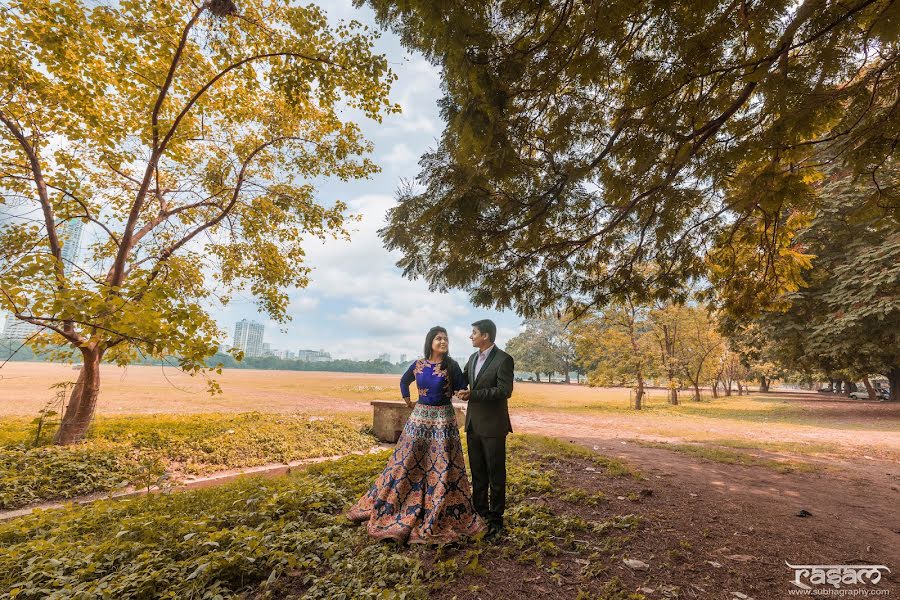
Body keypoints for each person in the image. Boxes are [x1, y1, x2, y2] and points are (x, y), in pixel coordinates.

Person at [347, 326, 486, 544]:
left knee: (442, 465)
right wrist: (407, 400)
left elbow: (461, 388)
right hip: (419, 419)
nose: (443, 341)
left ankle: (439, 505)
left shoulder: (452, 365)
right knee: (408, 461)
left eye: (445, 338)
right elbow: (404, 381)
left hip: (443, 422)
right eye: (439, 338)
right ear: (430, 341)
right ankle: (402, 501)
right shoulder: (418, 365)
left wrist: (463, 393)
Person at [456, 319, 514, 540]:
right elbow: (461, 380)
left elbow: (504, 390)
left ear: (486, 336)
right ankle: (479, 514)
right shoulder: (471, 359)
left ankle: (496, 519)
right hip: (473, 425)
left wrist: (473, 395)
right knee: (478, 473)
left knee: (496, 474)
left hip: (493, 426)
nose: (471, 336)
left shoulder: (504, 360)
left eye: (474, 333)